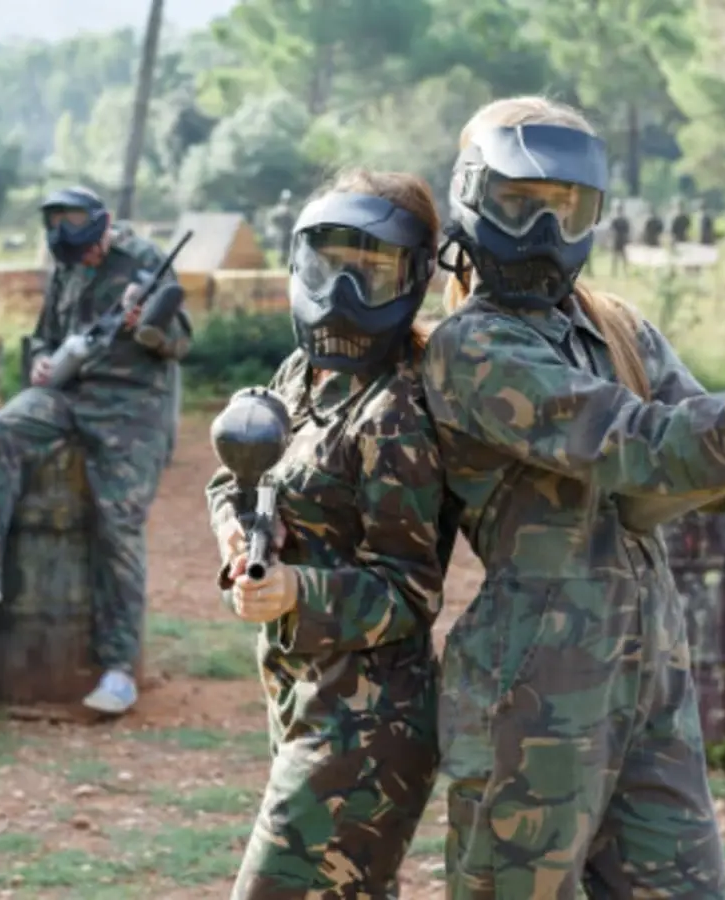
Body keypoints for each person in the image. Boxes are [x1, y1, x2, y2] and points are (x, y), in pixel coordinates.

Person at [429, 94, 725, 899]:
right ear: (473, 198)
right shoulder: (474, 346)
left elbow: (688, 465)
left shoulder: (613, 325)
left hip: (647, 667)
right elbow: (635, 443)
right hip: (535, 688)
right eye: (520, 206)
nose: (545, 235)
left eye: (569, 210)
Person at [206, 169, 460, 898]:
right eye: (330, 266)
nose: (344, 293)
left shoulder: (395, 413)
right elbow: (237, 478)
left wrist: (292, 590)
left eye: (370, 271)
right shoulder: (302, 375)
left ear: (411, 278)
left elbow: (410, 592)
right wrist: (239, 537)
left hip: (370, 722)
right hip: (304, 693)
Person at [0, 186, 191, 716]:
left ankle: (118, 671)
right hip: (69, 396)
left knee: (118, 524)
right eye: (58, 228)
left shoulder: (144, 263)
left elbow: (181, 342)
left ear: (103, 223)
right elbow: (44, 337)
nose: (72, 242)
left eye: (78, 229)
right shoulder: (67, 269)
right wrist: (43, 364)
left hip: (131, 409)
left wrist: (149, 328)